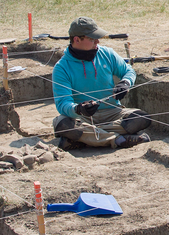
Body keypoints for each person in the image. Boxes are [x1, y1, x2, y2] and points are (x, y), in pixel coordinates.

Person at [52, 17, 151, 149]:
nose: (97, 42)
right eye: (92, 39)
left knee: (141, 118)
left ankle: (84, 138)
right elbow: (63, 103)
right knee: (63, 124)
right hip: (82, 118)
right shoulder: (61, 68)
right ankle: (118, 140)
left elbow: (128, 71)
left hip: (113, 113)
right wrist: (78, 109)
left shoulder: (107, 53)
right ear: (76, 39)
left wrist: (125, 83)